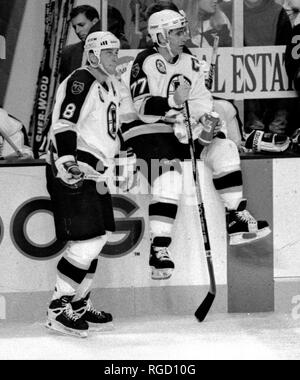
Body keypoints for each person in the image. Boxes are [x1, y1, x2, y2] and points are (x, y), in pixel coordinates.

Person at [122, 9, 271, 280]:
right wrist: (175, 104)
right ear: (161, 35)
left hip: (177, 130)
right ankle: (159, 248)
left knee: (223, 147)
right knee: (169, 178)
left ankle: (236, 217)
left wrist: (203, 121)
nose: (184, 37)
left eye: (183, 31)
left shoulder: (190, 61)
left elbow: (201, 101)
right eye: (178, 33)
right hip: (144, 131)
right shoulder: (144, 61)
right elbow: (142, 107)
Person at [45, 31, 134, 338]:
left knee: (99, 237)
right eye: (110, 53)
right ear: (93, 54)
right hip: (75, 169)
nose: (115, 58)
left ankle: (79, 302)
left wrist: (123, 153)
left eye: (116, 52)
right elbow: (64, 124)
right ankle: (59, 307)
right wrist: (67, 161)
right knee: (88, 241)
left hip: (95, 172)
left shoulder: (108, 85)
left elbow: (107, 131)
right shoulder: (80, 81)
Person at [243, 0, 293, 136]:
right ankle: (255, 129)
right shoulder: (230, 10)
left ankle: (277, 129)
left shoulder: (278, 12)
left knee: (287, 77)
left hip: (276, 81)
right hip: (245, 81)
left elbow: (287, 55)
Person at [59, 5, 99, 82]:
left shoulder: (112, 49)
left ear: (95, 22)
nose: (77, 31)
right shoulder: (68, 52)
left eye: (81, 25)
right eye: (74, 27)